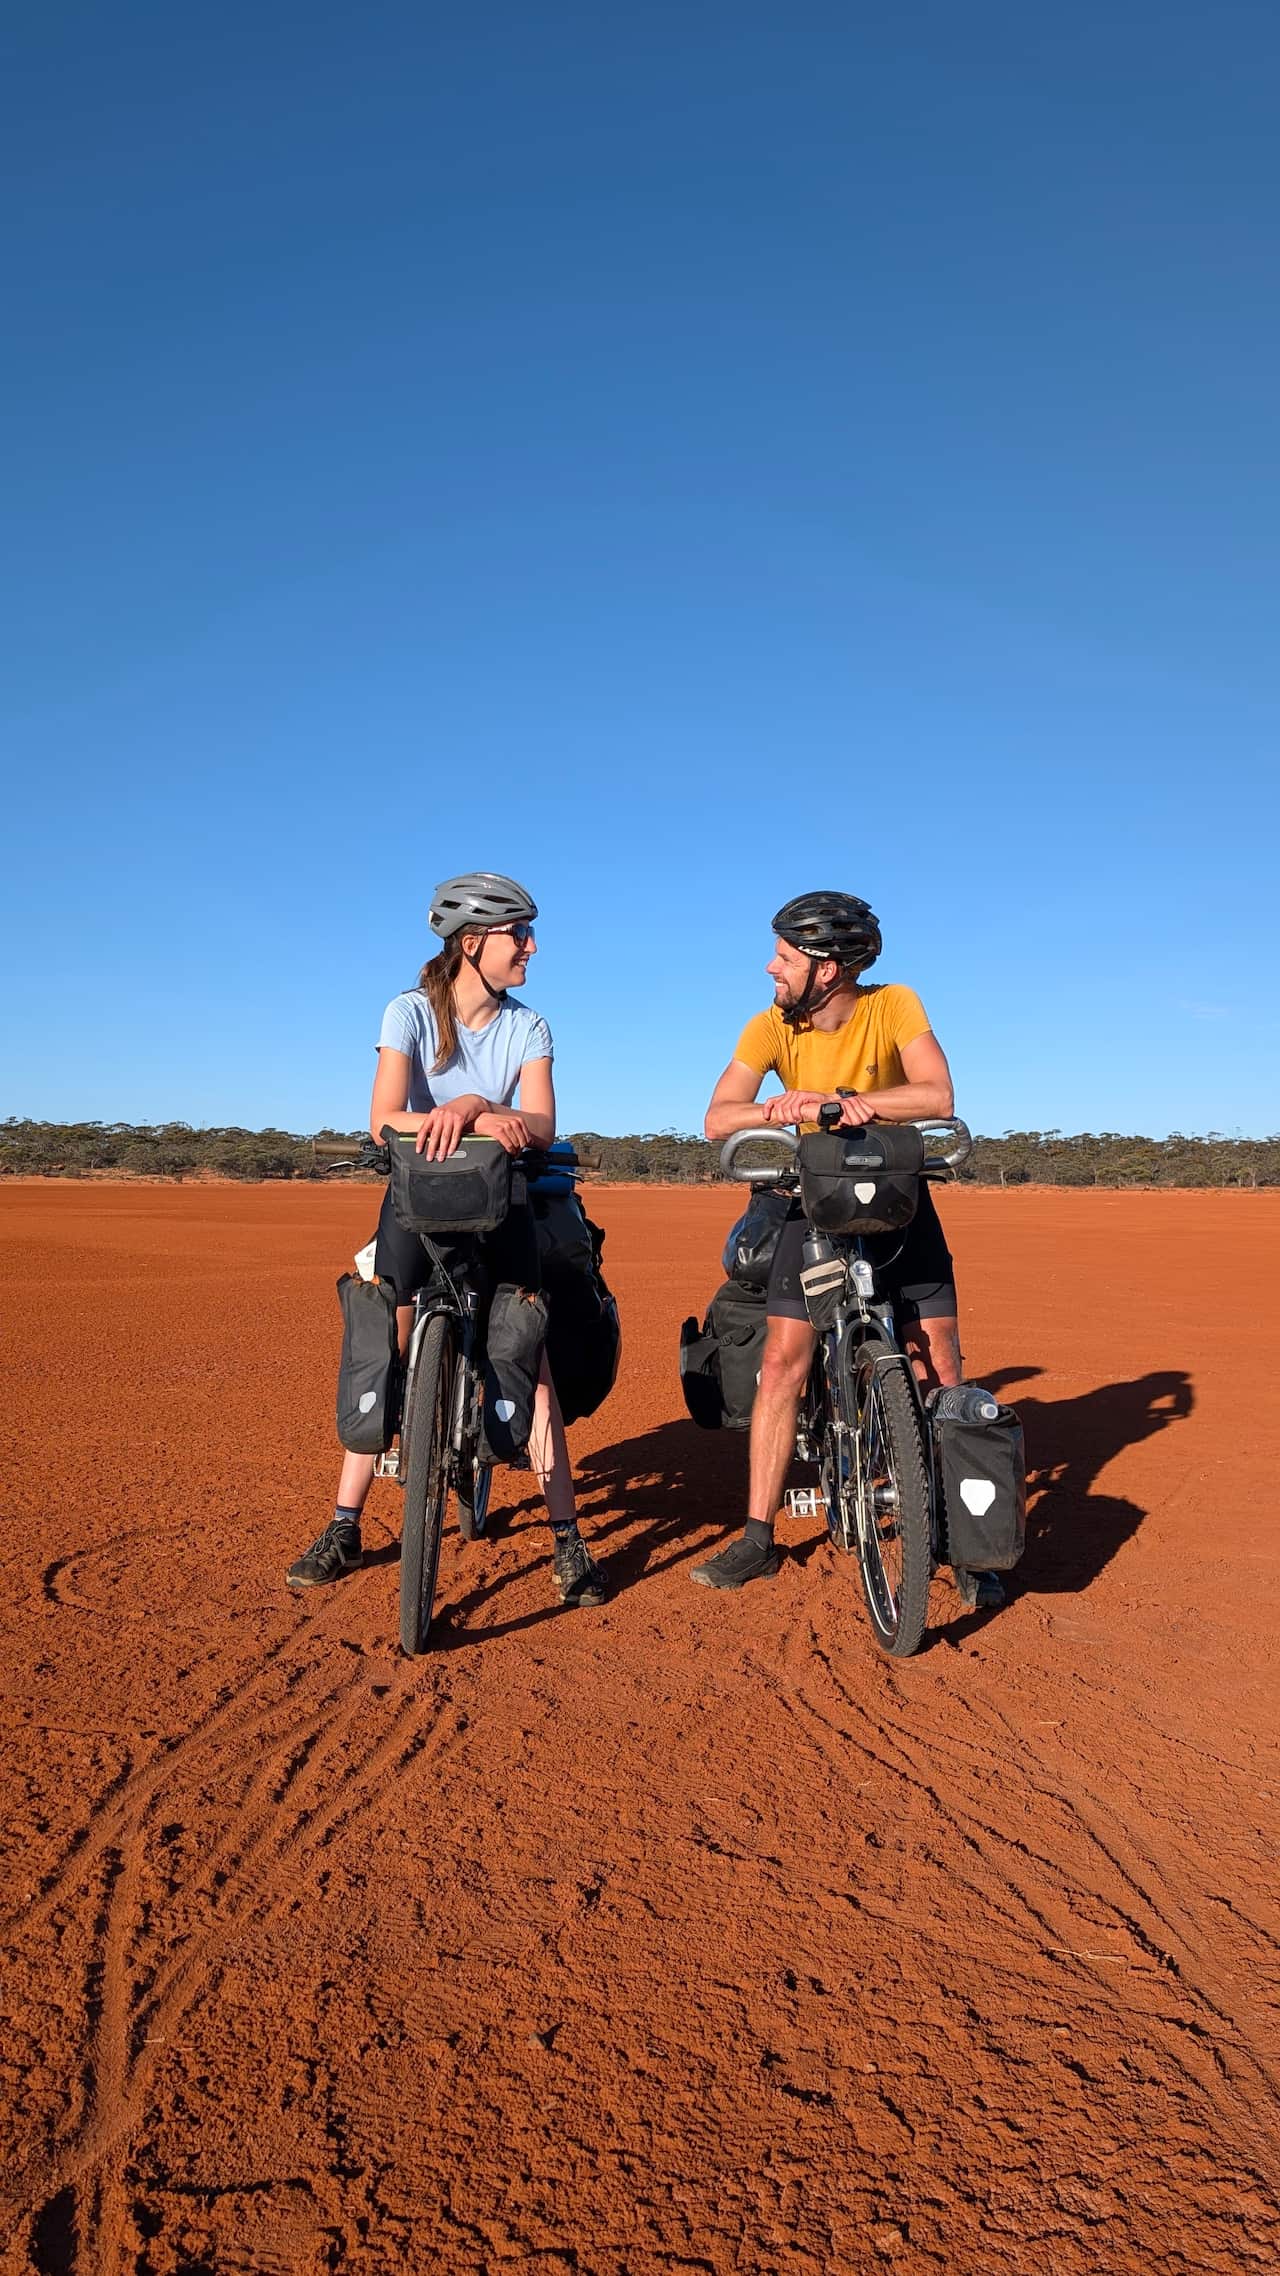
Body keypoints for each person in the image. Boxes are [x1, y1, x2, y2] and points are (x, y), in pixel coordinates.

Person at [286, 871, 607, 1611]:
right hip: (418, 1198)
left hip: (504, 1198)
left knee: (529, 1352)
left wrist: (472, 1102)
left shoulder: (529, 1027)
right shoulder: (408, 1012)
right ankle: (345, 1524)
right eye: (517, 934)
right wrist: (464, 1120)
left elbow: (542, 1124)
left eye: (527, 933)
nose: (530, 947)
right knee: (385, 1342)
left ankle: (567, 1538)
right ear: (472, 944)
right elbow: (384, 1117)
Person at [691, 890, 1001, 1608]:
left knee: (941, 1361)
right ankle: (758, 1536)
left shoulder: (894, 1006)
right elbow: (717, 1117)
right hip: (809, 1202)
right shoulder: (770, 1025)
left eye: (785, 957)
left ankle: (958, 1537)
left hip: (896, 1198)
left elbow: (937, 1094)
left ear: (827, 968)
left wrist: (841, 1102)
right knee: (781, 1362)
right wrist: (783, 1105)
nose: (772, 968)